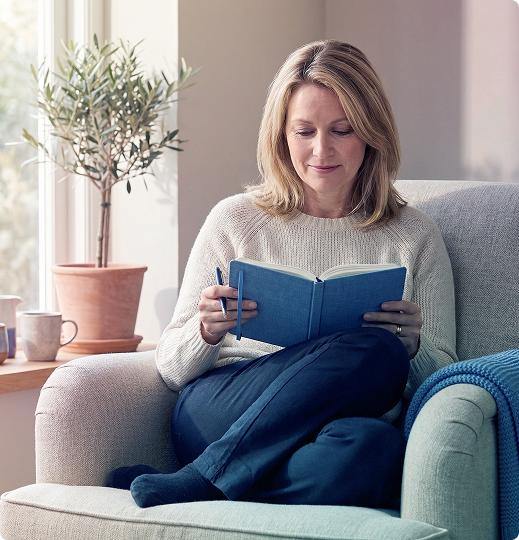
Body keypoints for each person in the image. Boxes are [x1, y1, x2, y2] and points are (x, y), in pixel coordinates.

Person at [107, 40, 457, 508]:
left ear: (371, 132)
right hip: (225, 407)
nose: (321, 149)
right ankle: (208, 475)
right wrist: (205, 332)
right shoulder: (234, 220)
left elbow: (448, 379)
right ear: (281, 135)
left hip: (331, 429)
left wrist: (413, 349)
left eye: (342, 129)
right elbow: (170, 368)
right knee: (375, 349)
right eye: (304, 131)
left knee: (376, 443)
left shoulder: (415, 236)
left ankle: (214, 479)